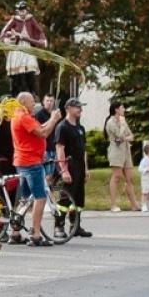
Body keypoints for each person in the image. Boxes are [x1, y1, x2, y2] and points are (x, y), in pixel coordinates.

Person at [11, 91, 61, 246]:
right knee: (40, 197)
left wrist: (51, 120)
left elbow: (40, 127)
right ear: (24, 102)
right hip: (31, 162)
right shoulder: (23, 117)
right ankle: (36, 234)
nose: (34, 104)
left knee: (25, 199)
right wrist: (53, 119)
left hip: (22, 161)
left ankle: (15, 232)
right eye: (32, 101)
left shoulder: (20, 116)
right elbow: (44, 132)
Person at [52, 98, 92, 239]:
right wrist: (64, 170)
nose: (80, 109)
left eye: (80, 107)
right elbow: (60, 149)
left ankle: (75, 226)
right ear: (68, 108)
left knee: (78, 199)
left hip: (79, 166)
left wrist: (86, 169)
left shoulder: (80, 128)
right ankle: (58, 226)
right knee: (65, 199)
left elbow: (84, 150)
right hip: (69, 165)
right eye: (77, 107)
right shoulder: (62, 127)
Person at [0, 1, 48, 95]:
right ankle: (17, 92)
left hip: (28, 47)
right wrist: (11, 35)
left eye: (23, 11)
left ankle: (31, 92)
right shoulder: (14, 20)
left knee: (30, 69)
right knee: (18, 72)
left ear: (26, 10)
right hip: (17, 48)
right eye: (20, 11)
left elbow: (39, 31)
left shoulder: (31, 19)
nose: (22, 13)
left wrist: (42, 39)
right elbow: (4, 33)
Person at [104, 101, 137, 212]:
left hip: (126, 150)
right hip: (116, 151)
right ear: (116, 109)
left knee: (130, 178)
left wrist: (124, 137)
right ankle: (113, 205)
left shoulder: (123, 121)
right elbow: (119, 135)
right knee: (117, 176)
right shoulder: (110, 122)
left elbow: (131, 136)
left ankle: (134, 204)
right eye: (122, 107)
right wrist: (122, 127)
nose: (124, 109)